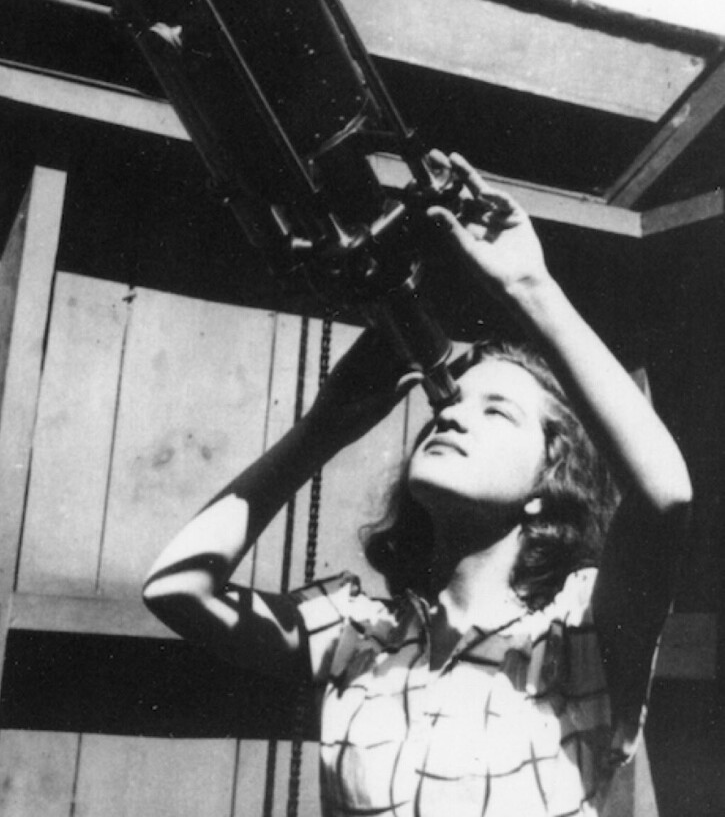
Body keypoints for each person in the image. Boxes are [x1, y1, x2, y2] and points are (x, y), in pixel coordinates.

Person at [143, 153, 691, 817]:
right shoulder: (359, 635)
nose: (454, 412)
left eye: (496, 410)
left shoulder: (579, 636)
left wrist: (528, 285)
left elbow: (665, 495)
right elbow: (175, 588)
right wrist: (321, 429)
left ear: (549, 480)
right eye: (447, 405)